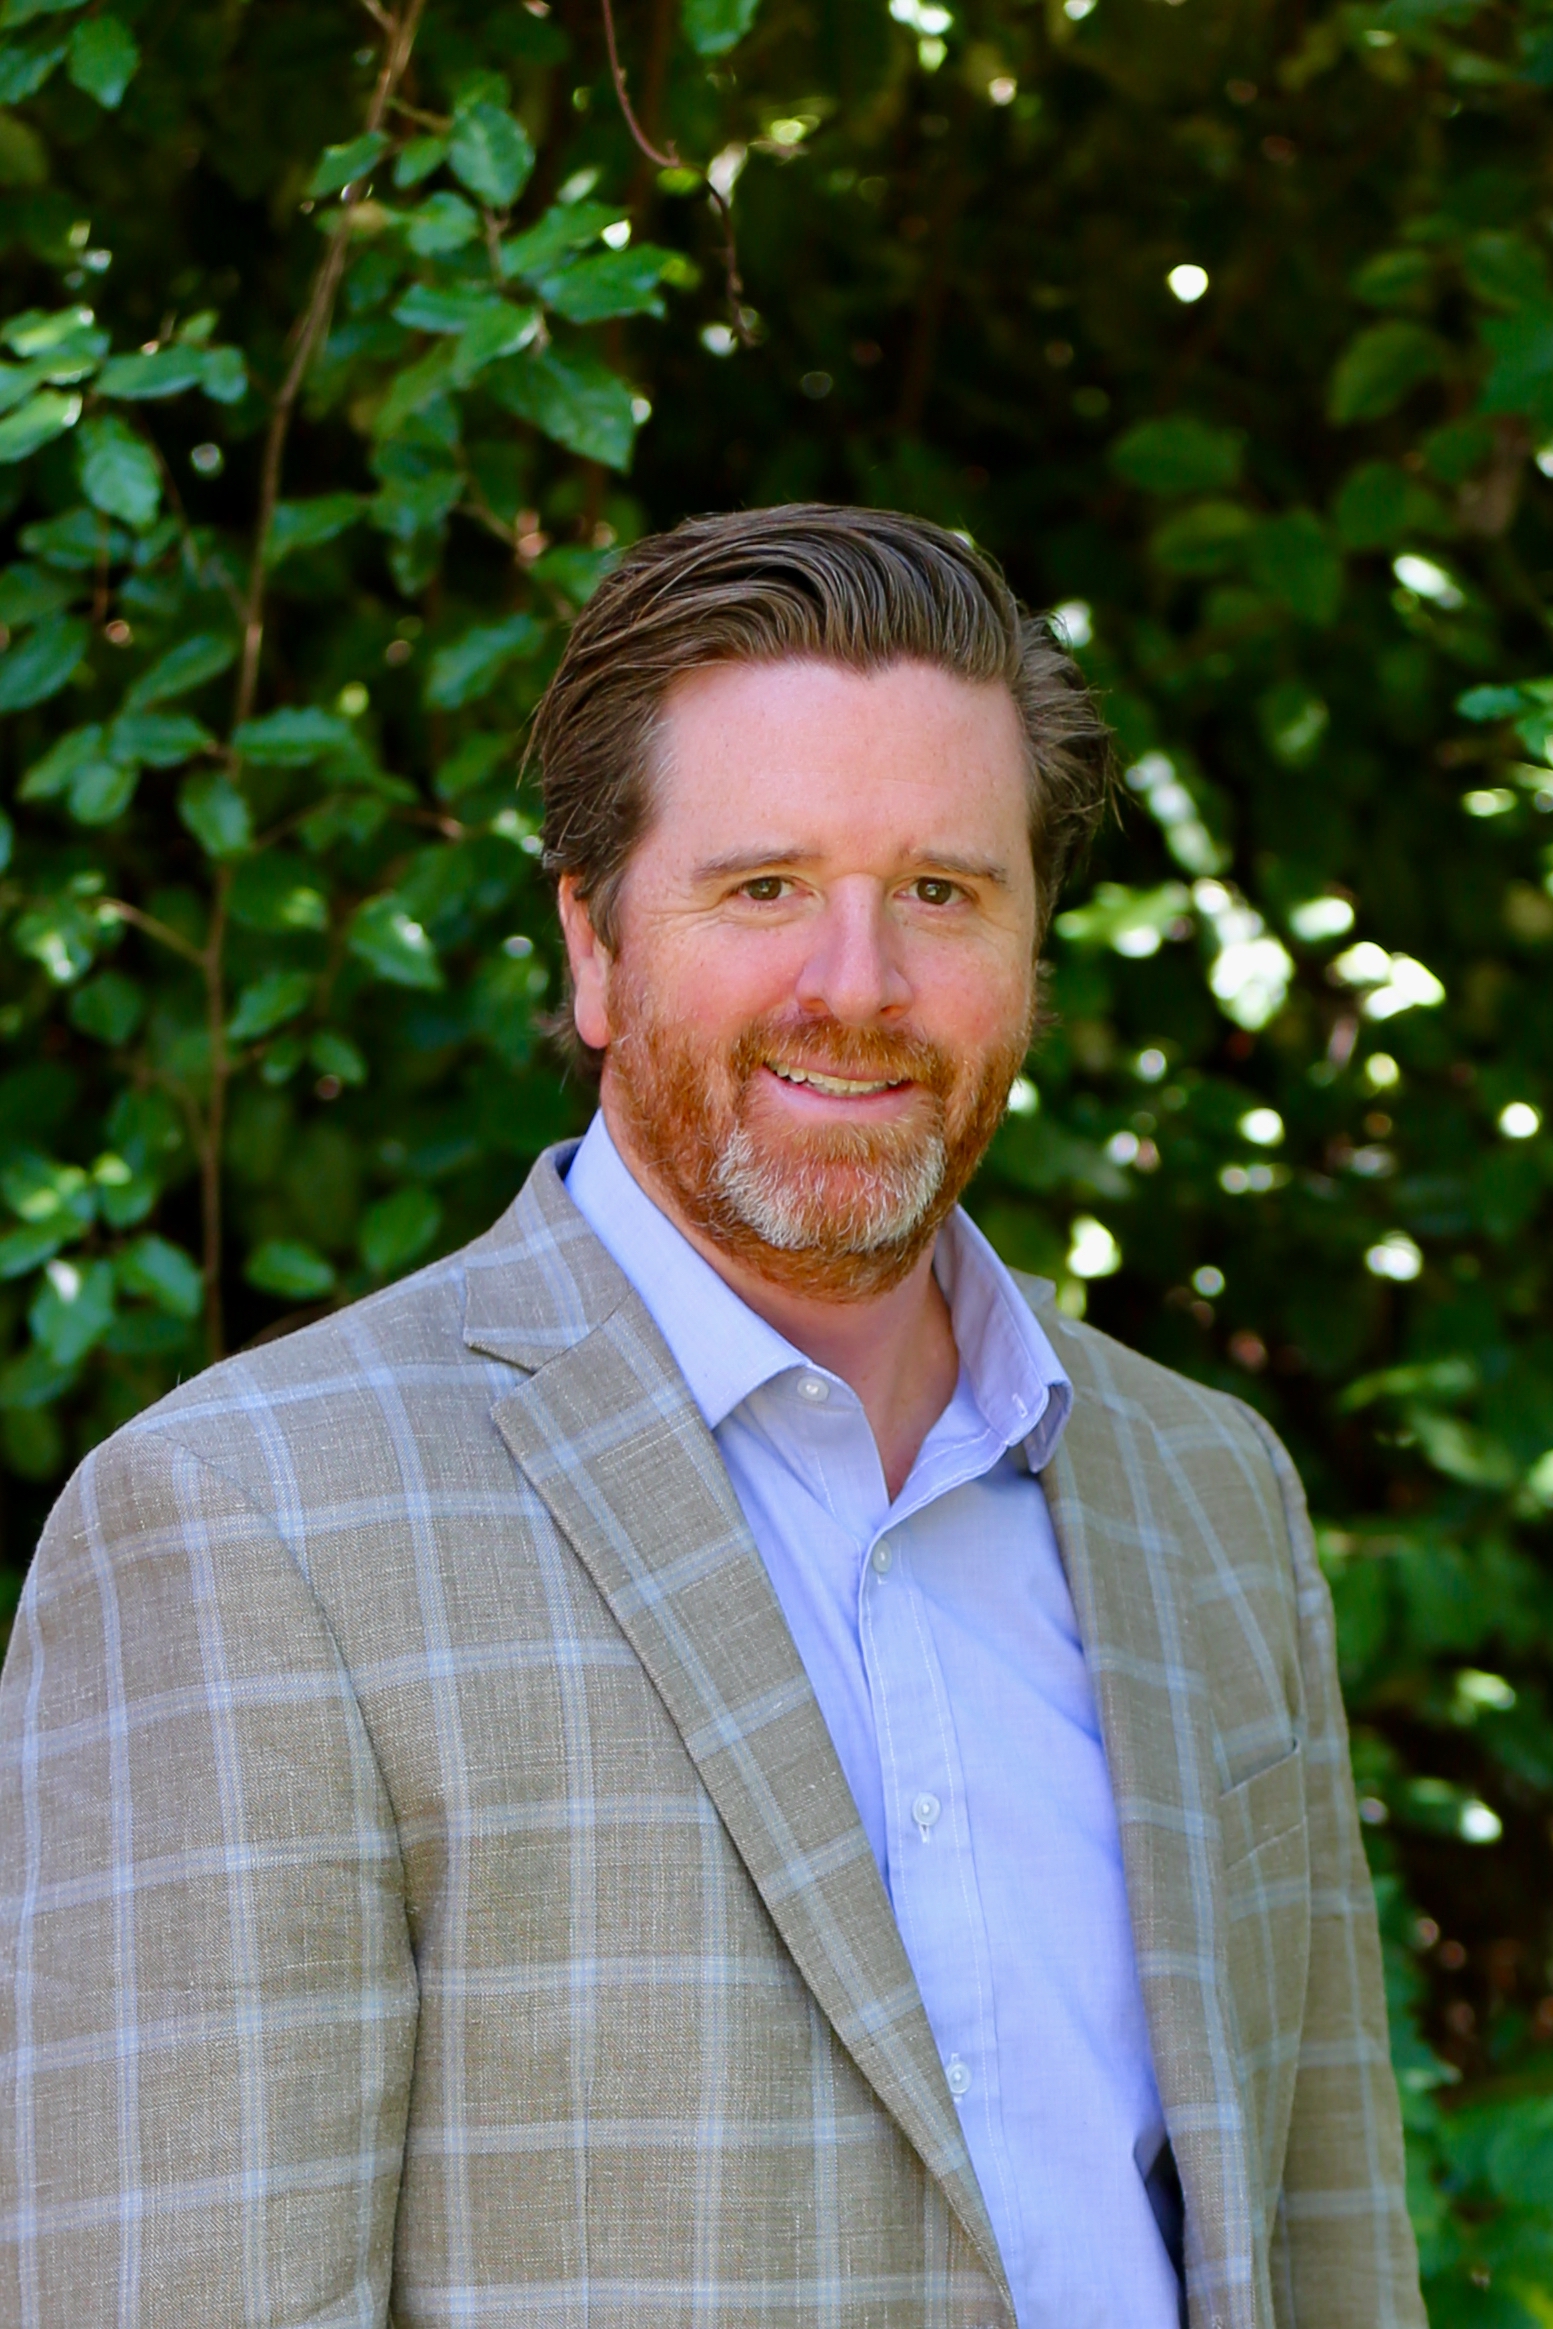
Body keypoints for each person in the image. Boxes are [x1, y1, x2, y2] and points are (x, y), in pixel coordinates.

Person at [0, 505, 1422, 2329]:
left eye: (941, 890)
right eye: (762, 887)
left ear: (1031, 947)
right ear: (593, 942)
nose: (857, 982)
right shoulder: (246, 1525)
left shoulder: (1207, 1495)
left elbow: (1328, 2255)